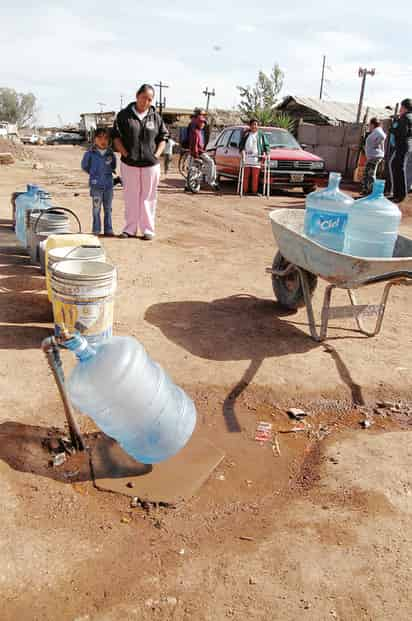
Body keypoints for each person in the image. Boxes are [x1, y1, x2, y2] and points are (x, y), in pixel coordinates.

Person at [112, 84, 168, 240]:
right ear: (137, 96)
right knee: (131, 196)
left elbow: (163, 138)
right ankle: (130, 229)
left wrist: (156, 154)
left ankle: (148, 230)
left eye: (150, 99)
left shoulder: (156, 117)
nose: (146, 102)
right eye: (144, 98)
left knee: (148, 196)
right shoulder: (124, 115)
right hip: (129, 164)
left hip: (151, 165)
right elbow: (116, 137)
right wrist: (126, 154)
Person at [81, 127, 116, 236]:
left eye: (106, 138)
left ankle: (108, 230)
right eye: (100, 137)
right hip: (96, 186)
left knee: (108, 209)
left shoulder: (111, 154)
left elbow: (113, 166)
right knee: (96, 209)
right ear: (94, 139)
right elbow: (85, 166)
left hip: (108, 186)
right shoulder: (90, 153)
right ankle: (96, 230)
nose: (103, 140)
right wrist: (94, 175)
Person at [389, 98, 412, 203]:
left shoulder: (405, 118)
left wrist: (392, 128)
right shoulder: (409, 117)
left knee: (397, 167)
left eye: (401, 107)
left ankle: (399, 194)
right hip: (407, 145)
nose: (400, 109)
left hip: (402, 145)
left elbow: (402, 133)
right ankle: (399, 194)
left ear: (404, 107)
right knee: (397, 166)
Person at [239, 119, 270, 195]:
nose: (254, 126)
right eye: (253, 124)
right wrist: (242, 155)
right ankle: (244, 191)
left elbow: (266, 145)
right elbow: (241, 146)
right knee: (245, 176)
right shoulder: (246, 134)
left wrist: (266, 153)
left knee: (255, 176)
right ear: (250, 126)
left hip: (257, 158)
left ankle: (254, 191)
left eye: (256, 124)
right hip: (247, 157)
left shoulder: (261, 135)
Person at [187, 114, 219, 190]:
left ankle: (187, 185)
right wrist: (196, 156)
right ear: (198, 123)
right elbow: (194, 145)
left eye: (204, 123)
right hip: (198, 153)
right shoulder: (196, 132)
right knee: (211, 162)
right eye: (201, 123)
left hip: (196, 152)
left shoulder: (198, 131)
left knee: (193, 169)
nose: (203, 124)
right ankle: (211, 182)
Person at [362, 118, 386, 195]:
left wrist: (376, 144)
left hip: (375, 155)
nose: (369, 126)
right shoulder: (375, 131)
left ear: (372, 124)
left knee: (370, 174)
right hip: (373, 155)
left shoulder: (378, 131)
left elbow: (383, 136)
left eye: (369, 124)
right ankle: (367, 190)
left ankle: (371, 191)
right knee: (367, 173)